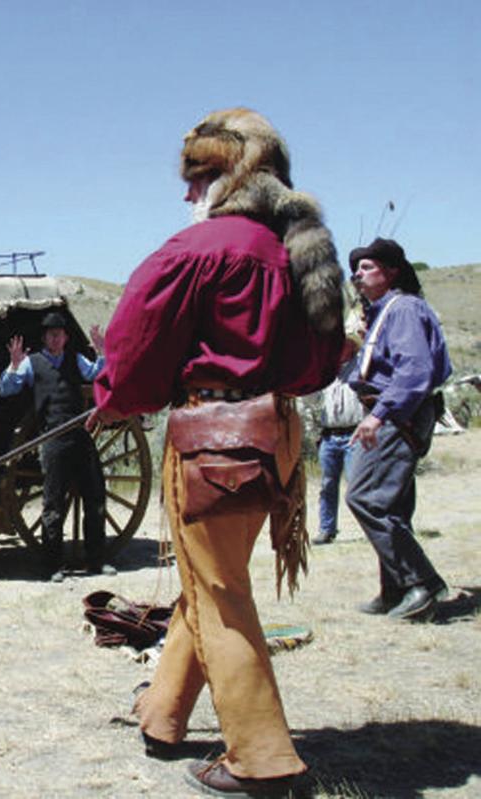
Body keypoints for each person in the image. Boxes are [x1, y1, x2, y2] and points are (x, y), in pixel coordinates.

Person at [89, 108, 343, 795]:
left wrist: (114, 395)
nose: (186, 193)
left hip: (214, 440)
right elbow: (324, 353)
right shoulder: (294, 249)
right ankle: (163, 715)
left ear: (228, 174)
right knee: (210, 581)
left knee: (224, 593)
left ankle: (263, 758)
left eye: (197, 176)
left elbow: (135, 343)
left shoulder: (201, 249)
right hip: (275, 435)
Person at [345, 237, 452, 620]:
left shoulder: (403, 308)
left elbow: (414, 371)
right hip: (392, 411)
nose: (357, 273)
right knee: (392, 504)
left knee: (366, 498)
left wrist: (379, 415)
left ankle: (421, 583)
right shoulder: (382, 312)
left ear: (392, 271)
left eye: (368, 267)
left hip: (396, 414)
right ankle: (395, 588)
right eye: (356, 269)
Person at [0, 313, 111, 580]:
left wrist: (102, 352)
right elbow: (5, 390)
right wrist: (13, 366)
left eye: (59, 333)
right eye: (50, 334)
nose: (55, 337)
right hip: (52, 440)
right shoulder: (30, 363)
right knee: (53, 504)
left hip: (81, 436)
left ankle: (96, 561)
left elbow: (97, 374)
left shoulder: (75, 359)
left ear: (66, 337)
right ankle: (52, 566)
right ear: (44, 338)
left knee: (95, 498)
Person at [312, 332, 365, 545]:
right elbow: (311, 399)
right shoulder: (326, 372)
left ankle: (372, 526)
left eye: (343, 344)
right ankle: (326, 529)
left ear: (352, 347)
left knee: (357, 484)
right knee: (327, 485)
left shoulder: (362, 368)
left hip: (355, 433)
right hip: (330, 435)